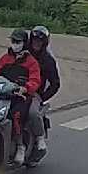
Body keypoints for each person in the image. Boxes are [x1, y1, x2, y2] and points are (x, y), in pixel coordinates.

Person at [0, 29, 42, 165]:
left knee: (16, 115)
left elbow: (35, 80)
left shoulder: (31, 62)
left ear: (24, 43)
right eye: (13, 41)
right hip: (3, 94)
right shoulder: (6, 58)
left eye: (17, 42)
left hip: (20, 96)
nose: (14, 44)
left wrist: (25, 88)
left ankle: (20, 146)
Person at [26, 25, 60, 156]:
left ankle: (40, 139)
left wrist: (41, 97)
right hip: (15, 90)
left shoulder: (48, 60)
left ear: (44, 43)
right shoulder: (23, 54)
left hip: (34, 94)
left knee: (33, 113)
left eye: (40, 41)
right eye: (35, 40)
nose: (36, 43)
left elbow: (55, 84)